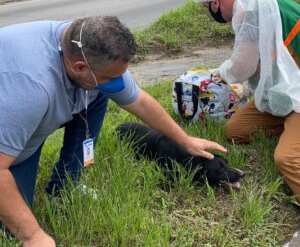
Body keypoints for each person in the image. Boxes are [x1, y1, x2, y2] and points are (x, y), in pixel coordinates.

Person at [0, 16, 226, 246]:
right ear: (79, 68)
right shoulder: (31, 89)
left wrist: (185, 140)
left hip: (24, 116)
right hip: (15, 115)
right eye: (111, 77)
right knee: (8, 229)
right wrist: (33, 236)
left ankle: (67, 185)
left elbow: (139, 101)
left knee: (97, 93)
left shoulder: (86, 46)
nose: (119, 83)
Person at [189, 0, 300, 202]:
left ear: (215, 2)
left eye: (205, 6)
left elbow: (242, 68)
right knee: (235, 132)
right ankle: (292, 127)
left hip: (296, 89)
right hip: (288, 89)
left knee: (287, 159)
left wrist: (221, 72)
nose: (207, 11)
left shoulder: (250, 10)